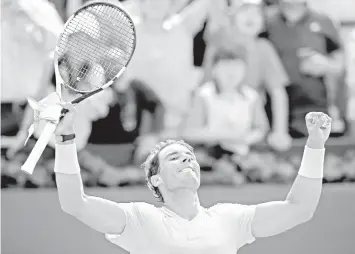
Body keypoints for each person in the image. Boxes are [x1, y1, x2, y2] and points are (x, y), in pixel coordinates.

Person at [50, 91, 331, 253]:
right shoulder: (140, 219)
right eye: (175, 157)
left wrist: (316, 145)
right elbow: (74, 203)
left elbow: (300, 208)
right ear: (155, 179)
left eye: (190, 157)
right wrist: (64, 139)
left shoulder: (230, 218)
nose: (187, 160)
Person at [163, 50, 269, 184]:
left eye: (237, 68)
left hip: (243, 151)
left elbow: (261, 128)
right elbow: (189, 132)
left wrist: (248, 138)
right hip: (210, 151)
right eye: (225, 68)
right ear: (214, 70)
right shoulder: (204, 95)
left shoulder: (251, 96)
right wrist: (226, 135)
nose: (231, 74)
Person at [202, 0, 292, 152]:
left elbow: (278, 92)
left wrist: (280, 131)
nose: (251, 17)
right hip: (216, 128)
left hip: (250, 127)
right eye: (244, 11)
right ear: (232, 15)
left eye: (257, 13)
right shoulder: (217, 44)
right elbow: (206, 89)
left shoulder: (264, 48)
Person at [264, 0, 346, 138]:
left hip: (318, 111)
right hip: (276, 115)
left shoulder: (324, 22)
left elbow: (341, 65)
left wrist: (325, 64)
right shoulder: (266, 23)